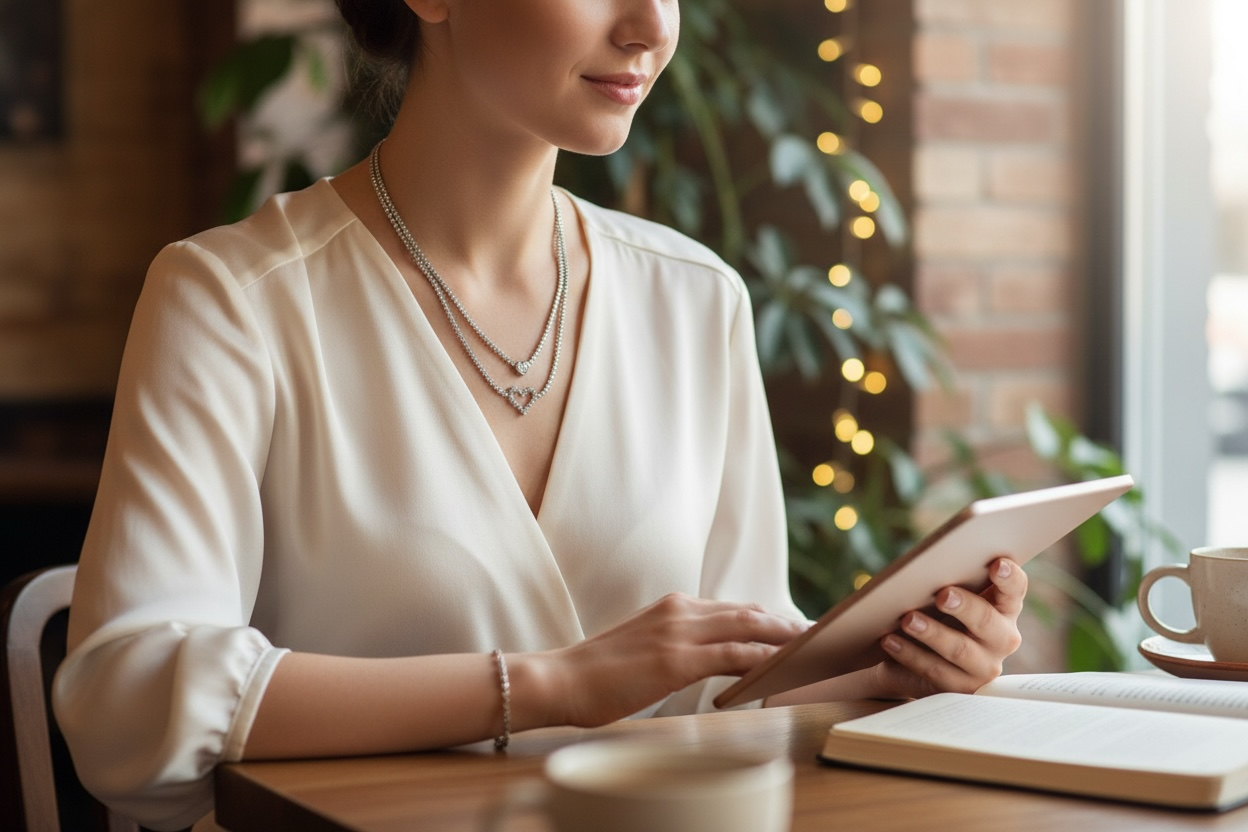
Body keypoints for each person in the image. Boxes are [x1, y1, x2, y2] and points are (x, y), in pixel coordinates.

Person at [52, 1, 1027, 830]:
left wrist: (894, 669)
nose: (649, 27)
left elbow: (728, 688)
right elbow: (127, 700)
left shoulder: (696, 299)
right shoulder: (232, 299)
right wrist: (554, 683)